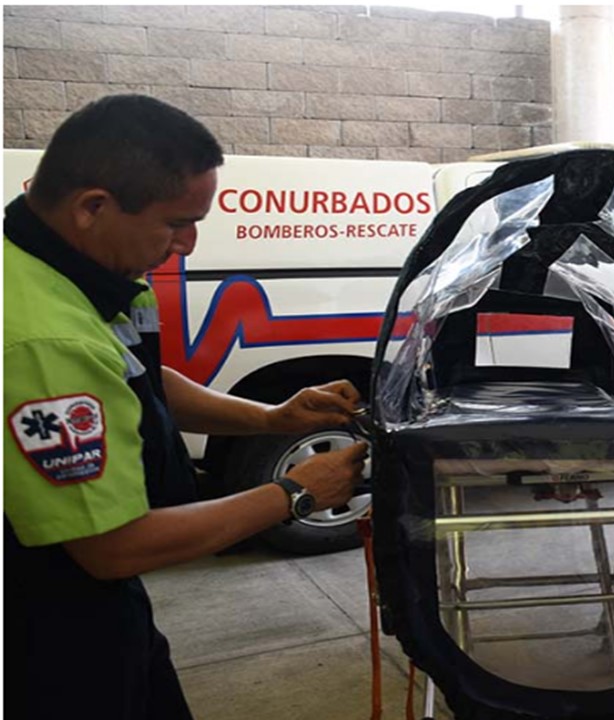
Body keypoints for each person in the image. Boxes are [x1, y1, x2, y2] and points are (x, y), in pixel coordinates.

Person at [4, 95, 368, 720]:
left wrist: (271, 417)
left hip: (103, 599)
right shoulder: (42, 340)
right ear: (93, 206)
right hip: (45, 616)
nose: (189, 245)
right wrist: (294, 495)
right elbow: (110, 547)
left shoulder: (65, 269)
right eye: (177, 223)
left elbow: (139, 376)